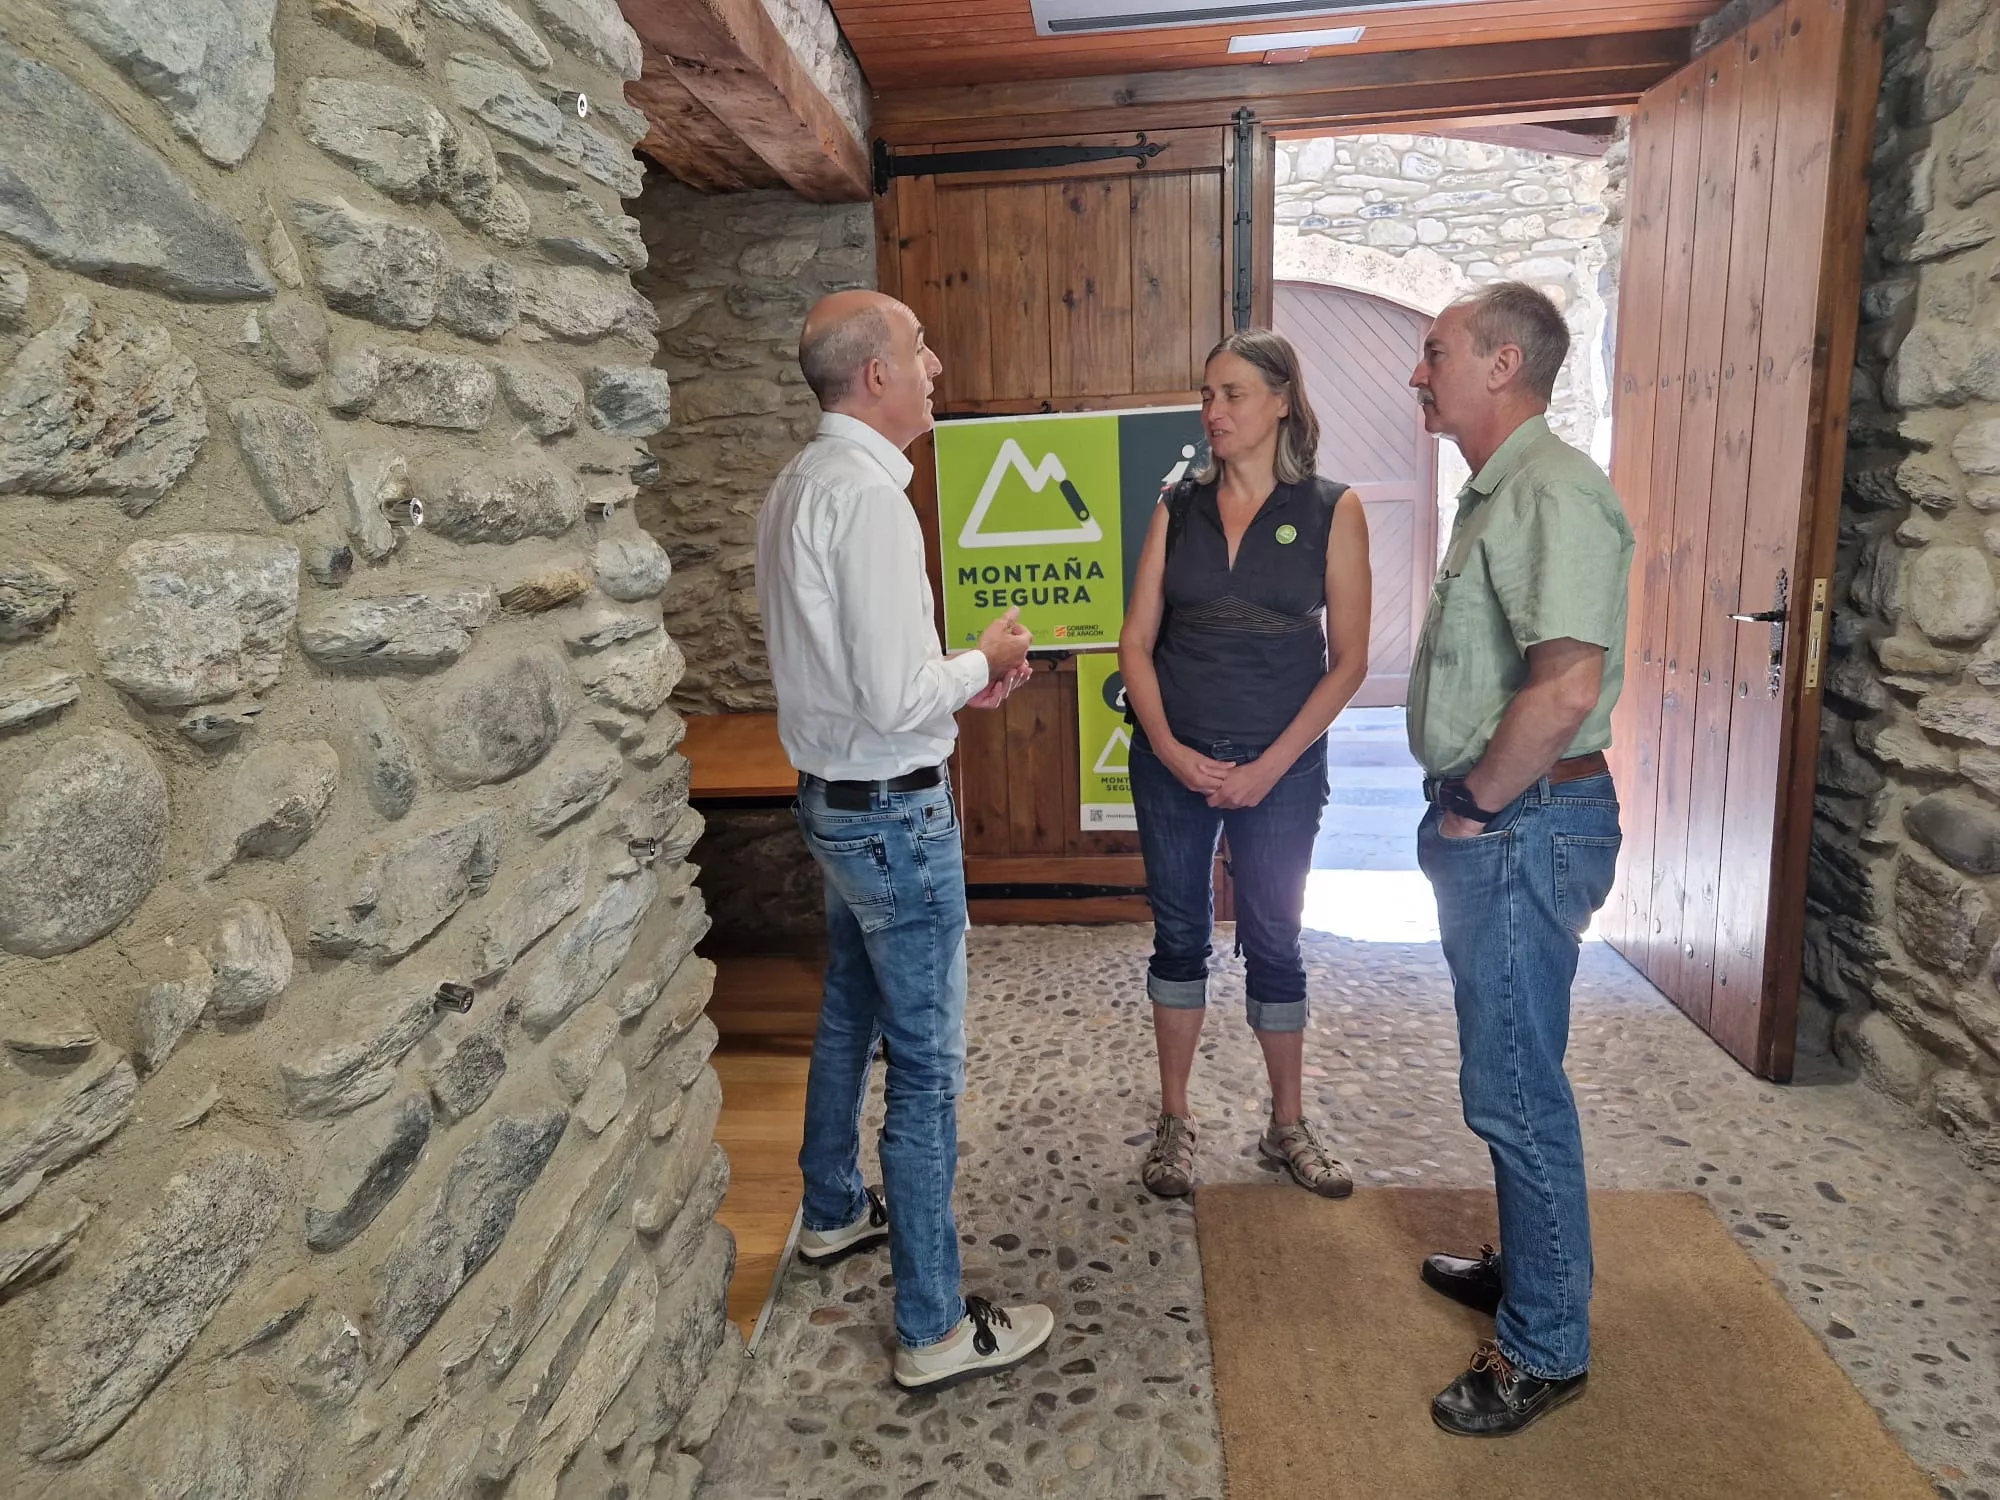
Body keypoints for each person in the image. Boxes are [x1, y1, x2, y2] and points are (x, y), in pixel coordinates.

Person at [754, 289, 1052, 1391]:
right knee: (925, 1070)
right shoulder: (871, 501)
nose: (936, 365)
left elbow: (864, 683)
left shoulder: (797, 483)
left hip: (835, 803)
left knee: (849, 1006)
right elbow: (891, 694)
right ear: (876, 375)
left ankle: (832, 1207)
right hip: (892, 818)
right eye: (920, 348)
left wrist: (955, 685)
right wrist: (985, 660)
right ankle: (931, 1327)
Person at [1404, 282, 1634, 1436]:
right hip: (1508, 819)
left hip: (1522, 821)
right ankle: (1530, 1266)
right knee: (1509, 1063)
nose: (1416, 373)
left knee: (1512, 1085)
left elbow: (1563, 688)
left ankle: (1543, 1345)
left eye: (1434, 351)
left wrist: (1472, 808)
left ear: (1501, 365)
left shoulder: (1553, 492)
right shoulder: (1498, 491)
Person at [1118, 329, 1372, 1201]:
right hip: (1172, 765)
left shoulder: (1334, 509)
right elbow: (1135, 642)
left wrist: (1269, 766)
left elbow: (1350, 662)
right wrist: (1168, 748)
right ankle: (1175, 1120)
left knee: (1274, 940)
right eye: (1207, 395)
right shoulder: (1177, 506)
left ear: (1281, 402)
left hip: (1282, 774)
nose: (1212, 412)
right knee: (1179, 937)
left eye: (1232, 394)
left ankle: (1286, 1125)